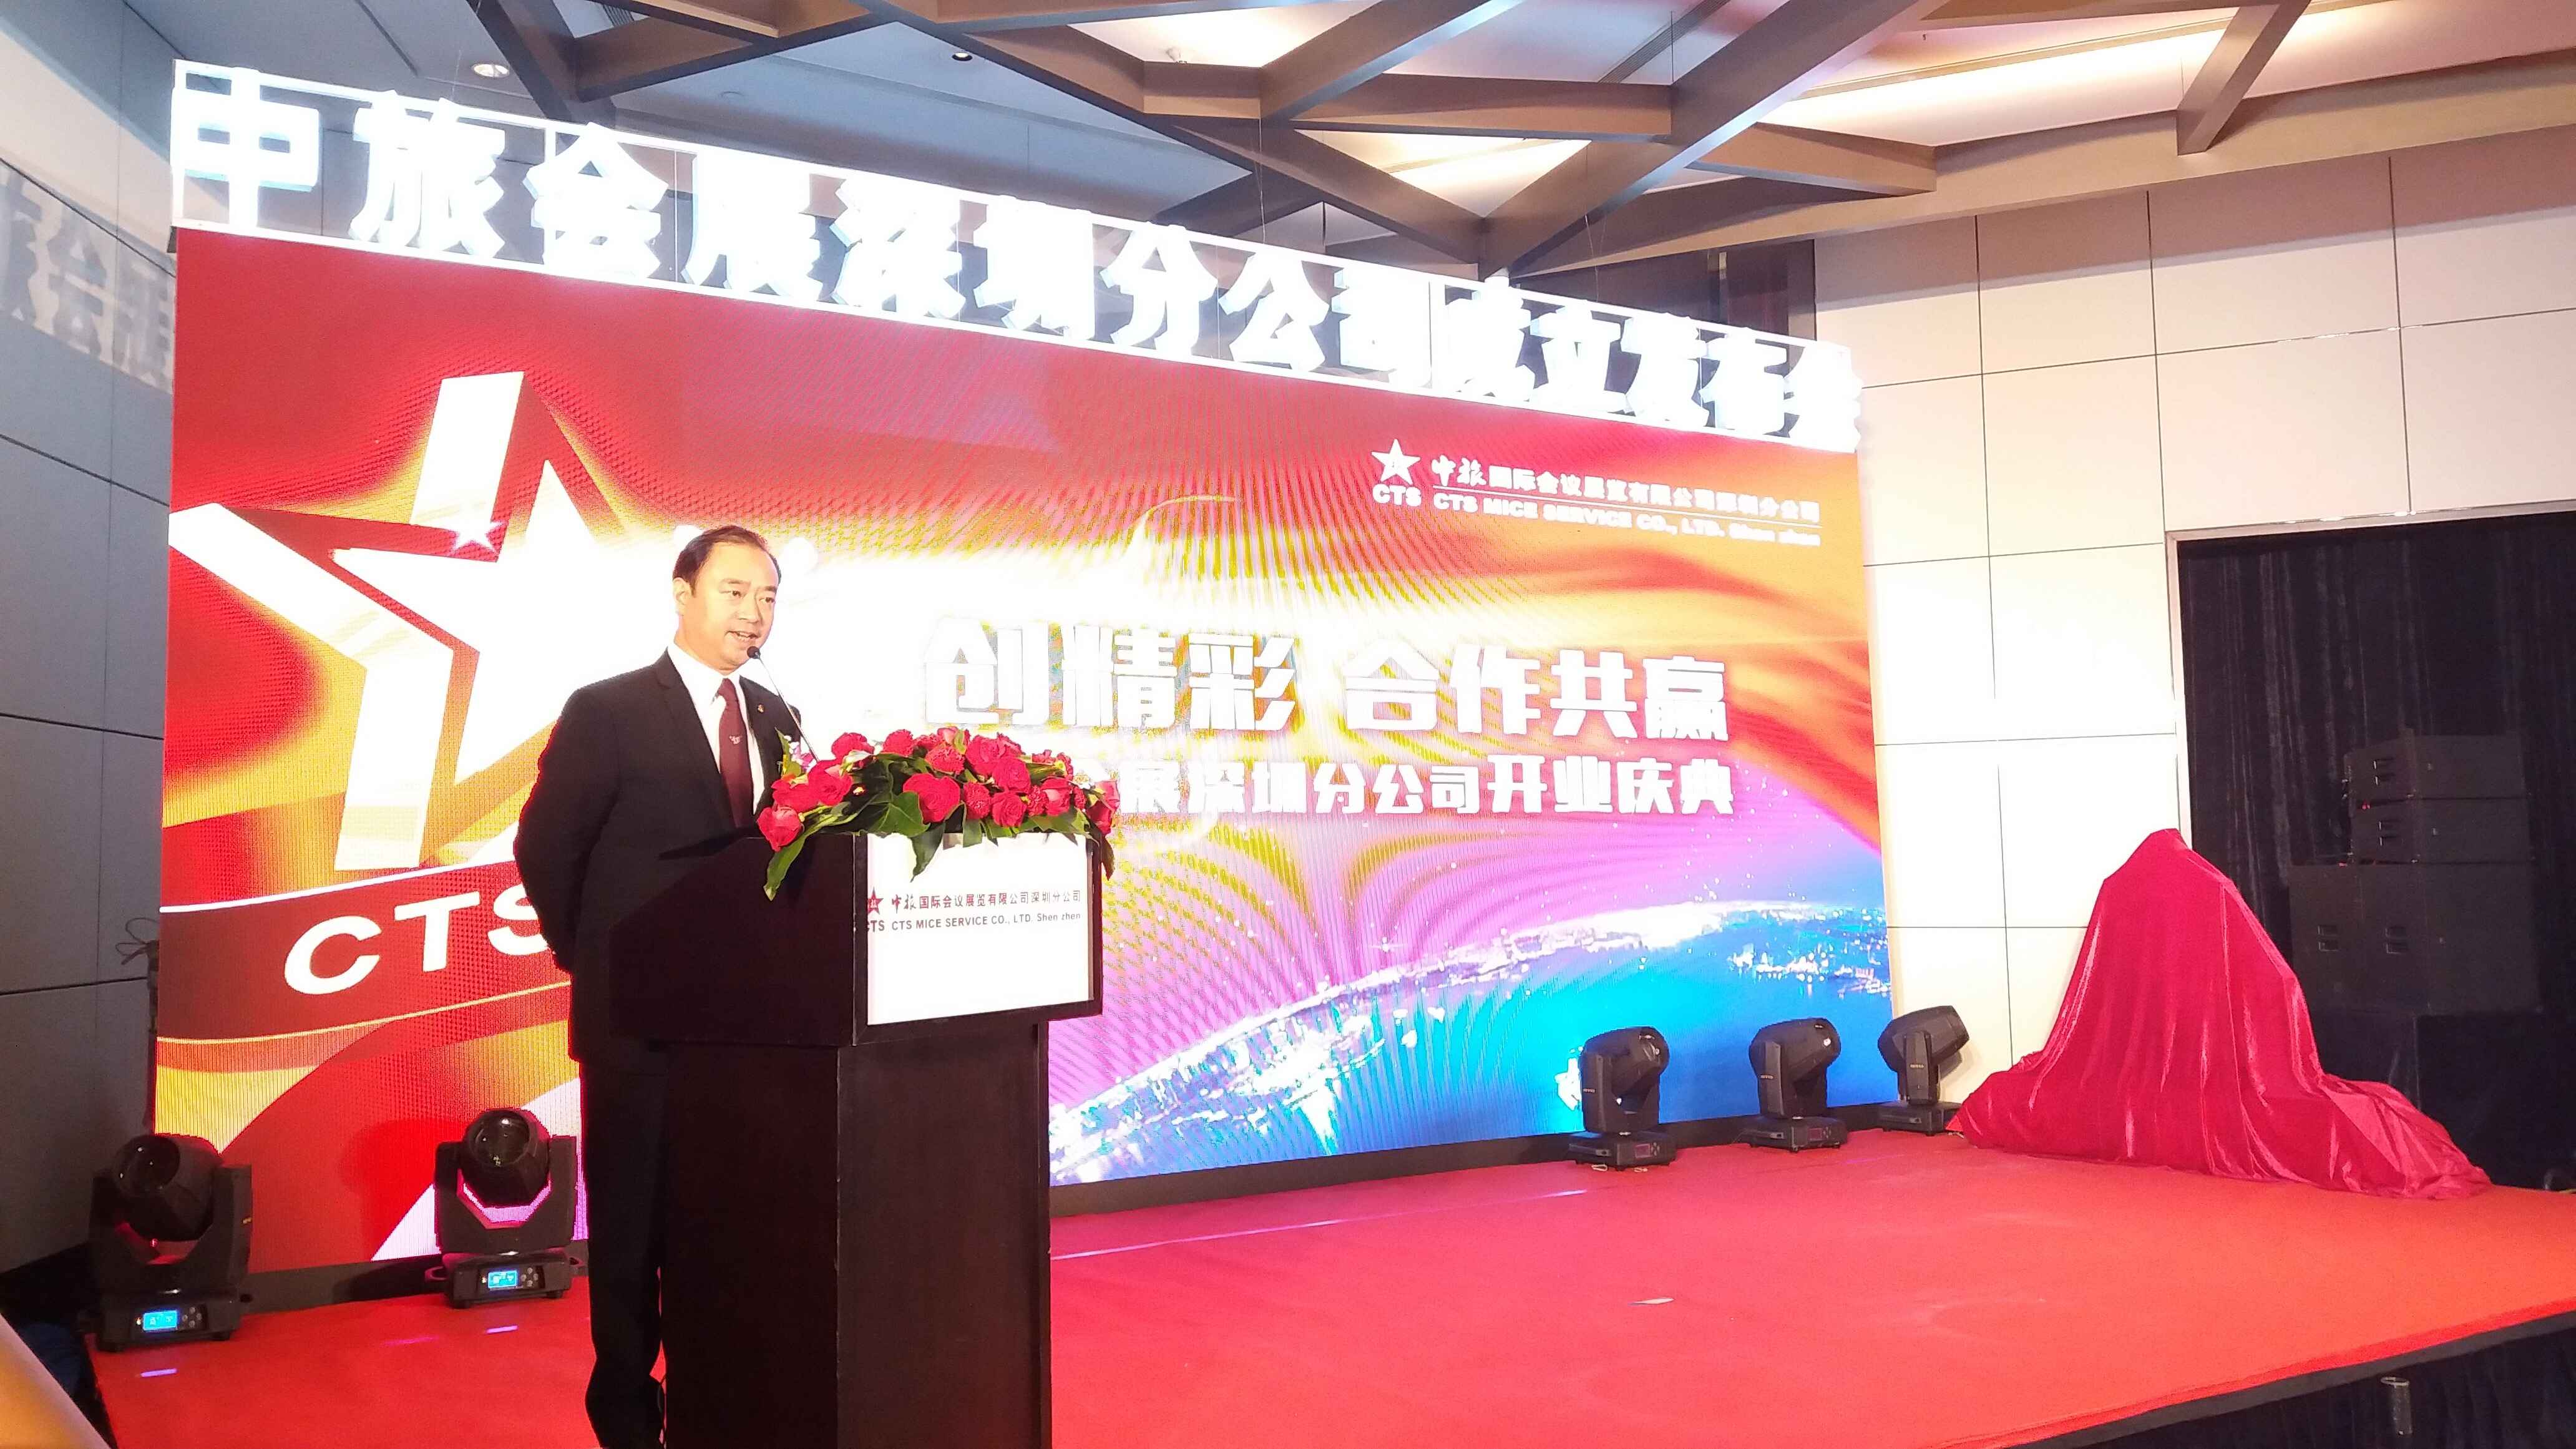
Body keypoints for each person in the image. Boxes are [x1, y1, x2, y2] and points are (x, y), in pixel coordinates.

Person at [515, 525, 797, 1449]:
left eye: (766, 597)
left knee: (725, 1227)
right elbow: (547, 848)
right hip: (635, 1024)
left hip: (743, 1033)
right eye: (734, 592)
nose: (752, 614)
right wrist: (595, 956)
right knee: (632, 1231)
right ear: (683, 592)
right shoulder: (609, 709)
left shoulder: (779, 716)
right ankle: (629, 1420)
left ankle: (717, 1405)